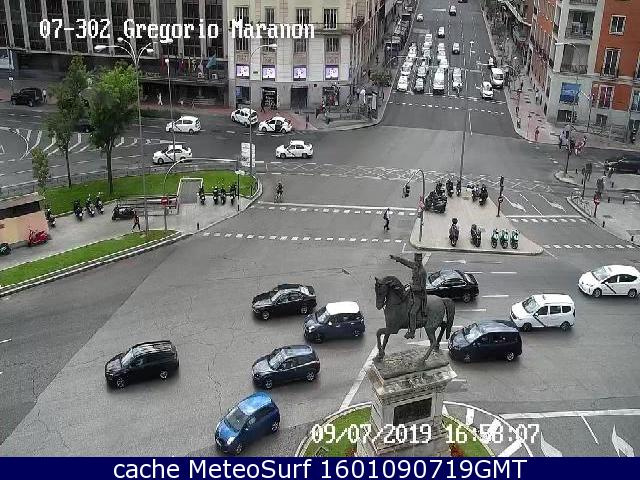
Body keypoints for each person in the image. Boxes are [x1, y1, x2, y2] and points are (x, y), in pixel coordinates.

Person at [390, 253, 427, 339]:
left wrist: (412, 287)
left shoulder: (422, 272)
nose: (417, 262)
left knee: (412, 313)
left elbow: (422, 288)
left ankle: (412, 332)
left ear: (421, 261)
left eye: (419, 261)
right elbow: (406, 262)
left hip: (419, 296)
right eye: (416, 260)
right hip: (412, 291)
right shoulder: (414, 266)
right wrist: (396, 258)